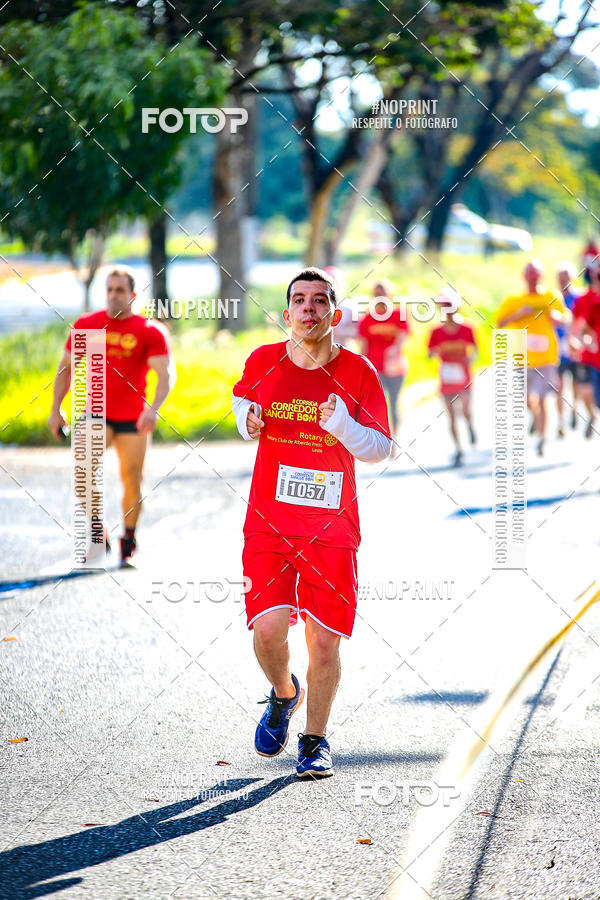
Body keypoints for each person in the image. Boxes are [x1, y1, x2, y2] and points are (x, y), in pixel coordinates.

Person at [232, 267, 391, 778]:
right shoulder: (263, 360)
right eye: (299, 301)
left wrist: (342, 424)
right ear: (287, 314)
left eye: (319, 301)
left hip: (331, 530)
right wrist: (246, 420)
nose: (308, 309)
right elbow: (241, 400)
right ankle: (284, 693)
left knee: (324, 642)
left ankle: (315, 740)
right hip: (269, 523)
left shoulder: (360, 373)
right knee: (268, 631)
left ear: (334, 314)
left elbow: (382, 448)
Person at [48, 267, 174, 565]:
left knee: (132, 478)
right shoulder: (90, 326)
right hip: (95, 413)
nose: (113, 295)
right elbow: (66, 369)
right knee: (82, 472)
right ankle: (96, 530)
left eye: (119, 290)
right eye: (109, 289)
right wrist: (56, 409)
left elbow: (165, 374)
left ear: (132, 295)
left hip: (133, 418)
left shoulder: (148, 330)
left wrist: (153, 409)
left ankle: (128, 538)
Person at [496, 260, 566, 456]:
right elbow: (499, 323)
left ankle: (542, 440)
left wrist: (556, 317)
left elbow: (565, 319)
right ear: (524, 277)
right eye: (530, 276)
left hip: (546, 357)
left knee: (544, 399)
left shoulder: (550, 296)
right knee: (528, 400)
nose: (533, 280)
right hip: (522, 357)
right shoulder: (514, 300)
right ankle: (535, 417)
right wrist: (518, 314)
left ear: (541, 277)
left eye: (536, 276)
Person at [427, 291, 478, 467]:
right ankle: (458, 449)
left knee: (465, 411)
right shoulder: (436, 331)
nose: (447, 311)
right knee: (451, 416)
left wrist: (471, 359)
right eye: (444, 307)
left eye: (450, 306)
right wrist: (436, 352)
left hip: (463, 376)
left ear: (457, 307)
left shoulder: (467, 328)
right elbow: (429, 352)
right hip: (447, 376)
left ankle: (470, 425)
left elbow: (475, 349)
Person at [358, 279, 410, 439]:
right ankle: (379, 438)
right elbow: (364, 344)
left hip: (395, 367)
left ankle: (394, 439)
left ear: (390, 295)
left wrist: (394, 350)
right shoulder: (367, 317)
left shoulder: (398, 314)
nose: (380, 297)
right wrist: (362, 367)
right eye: (377, 294)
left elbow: (402, 337)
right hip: (375, 368)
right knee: (377, 406)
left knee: (393, 404)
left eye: (383, 293)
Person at [569, 263, 600, 438]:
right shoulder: (588, 301)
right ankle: (592, 415)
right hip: (590, 358)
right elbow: (579, 328)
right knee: (587, 394)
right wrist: (577, 341)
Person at [555, 262, 580, 436]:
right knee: (559, 385)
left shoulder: (579, 298)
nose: (563, 282)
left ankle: (575, 408)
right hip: (557, 347)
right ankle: (561, 421)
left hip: (575, 346)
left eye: (566, 279)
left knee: (576, 382)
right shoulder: (553, 299)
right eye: (560, 279)